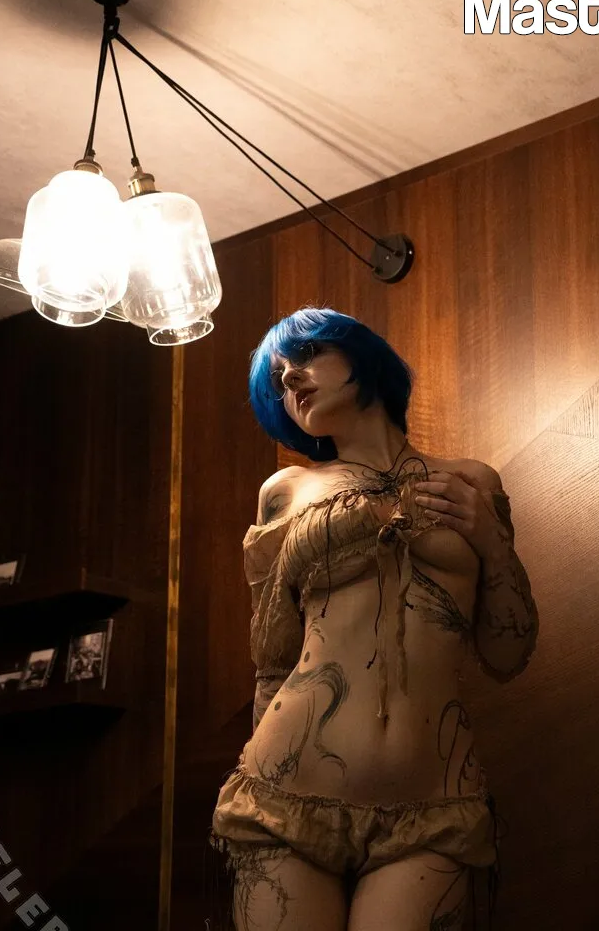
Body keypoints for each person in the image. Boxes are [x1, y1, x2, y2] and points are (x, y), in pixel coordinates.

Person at [209, 307, 539, 931]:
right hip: (285, 796)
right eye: (278, 378)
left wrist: (492, 543)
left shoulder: (470, 481)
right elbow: (272, 659)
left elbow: (508, 655)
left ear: (361, 354)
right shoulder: (286, 491)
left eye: (307, 355)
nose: (290, 378)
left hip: (432, 808)